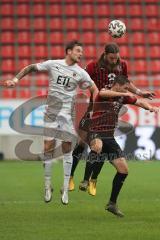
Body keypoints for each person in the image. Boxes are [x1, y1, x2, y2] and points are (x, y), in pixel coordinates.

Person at [2, 40, 98, 205]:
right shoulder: (54, 64)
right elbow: (31, 67)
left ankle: (65, 188)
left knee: (68, 148)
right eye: (78, 51)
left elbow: (94, 89)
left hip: (67, 116)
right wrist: (16, 80)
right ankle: (47, 185)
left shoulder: (80, 73)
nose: (81, 54)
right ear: (68, 51)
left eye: (81, 51)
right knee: (48, 148)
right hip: (51, 114)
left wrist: (92, 109)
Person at [69, 42, 155, 192]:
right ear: (105, 55)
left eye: (116, 58)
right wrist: (93, 90)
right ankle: (70, 176)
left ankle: (92, 179)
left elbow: (126, 83)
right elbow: (81, 78)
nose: (114, 61)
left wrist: (139, 93)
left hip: (110, 111)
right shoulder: (93, 66)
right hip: (94, 106)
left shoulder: (122, 65)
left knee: (102, 144)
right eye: (111, 58)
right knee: (81, 142)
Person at [82, 75, 159, 217]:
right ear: (117, 85)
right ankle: (86, 180)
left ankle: (112, 203)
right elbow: (102, 93)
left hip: (109, 136)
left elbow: (138, 101)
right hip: (95, 131)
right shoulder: (105, 92)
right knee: (97, 146)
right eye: (125, 88)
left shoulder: (122, 97)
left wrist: (150, 107)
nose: (127, 91)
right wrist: (124, 93)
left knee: (123, 170)